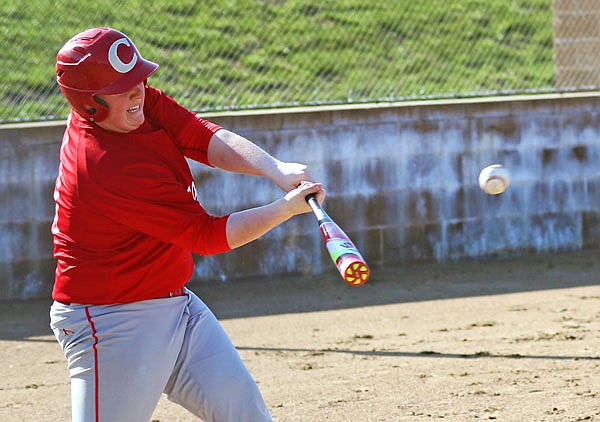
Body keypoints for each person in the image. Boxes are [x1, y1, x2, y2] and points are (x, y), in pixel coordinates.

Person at [49, 27, 325, 422]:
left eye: (139, 80)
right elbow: (206, 236)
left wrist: (274, 169)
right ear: (89, 103)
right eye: (122, 87)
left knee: (243, 409)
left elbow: (199, 135)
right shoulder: (105, 165)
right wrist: (283, 209)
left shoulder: (134, 110)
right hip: (111, 322)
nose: (138, 91)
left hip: (176, 306)